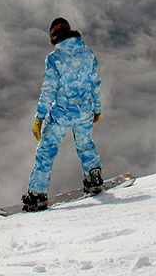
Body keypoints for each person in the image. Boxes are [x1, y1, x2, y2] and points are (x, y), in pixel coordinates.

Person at [22, 17, 104, 212]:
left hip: (61, 113)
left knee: (46, 151)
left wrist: (39, 118)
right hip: (85, 110)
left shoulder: (54, 59)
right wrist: (97, 108)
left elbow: (48, 91)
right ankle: (94, 178)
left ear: (54, 36)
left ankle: (37, 194)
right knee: (85, 145)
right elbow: (95, 83)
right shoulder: (88, 53)